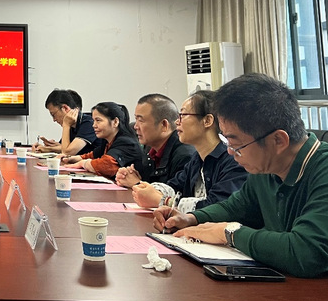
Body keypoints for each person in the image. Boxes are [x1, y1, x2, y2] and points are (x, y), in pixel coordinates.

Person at [154, 74, 328, 278]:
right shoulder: (266, 168)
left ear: (278, 141)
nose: (229, 151)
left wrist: (229, 233)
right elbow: (236, 208)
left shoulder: (321, 169)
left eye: (236, 144)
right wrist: (191, 218)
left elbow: (307, 252)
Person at [130, 91, 247, 212]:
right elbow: (174, 186)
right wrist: (147, 189)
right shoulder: (198, 158)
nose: (177, 122)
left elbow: (218, 207)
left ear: (207, 120)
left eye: (183, 115)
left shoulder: (233, 160)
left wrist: (166, 201)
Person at [115, 94, 196, 187]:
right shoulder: (150, 150)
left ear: (164, 125)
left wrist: (137, 184)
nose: (135, 126)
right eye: (136, 119)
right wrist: (129, 176)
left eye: (141, 120)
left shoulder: (184, 156)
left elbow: (172, 194)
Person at [60, 102, 143, 179]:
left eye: (98, 120)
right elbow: (93, 155)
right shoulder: (107, 141)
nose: (94, 125)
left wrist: (83, 163)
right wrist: (71, 158)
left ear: (115, 122)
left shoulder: (126, 142)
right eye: (93, 121)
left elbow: (106, 166)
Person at [33, 89, 99, 155]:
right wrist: (49, 147)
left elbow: (67, 152)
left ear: (65, 108)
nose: (54, 119)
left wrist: (66, 125)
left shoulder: (89, 123)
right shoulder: (72, 124)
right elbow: (64, 147)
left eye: (53, 115)